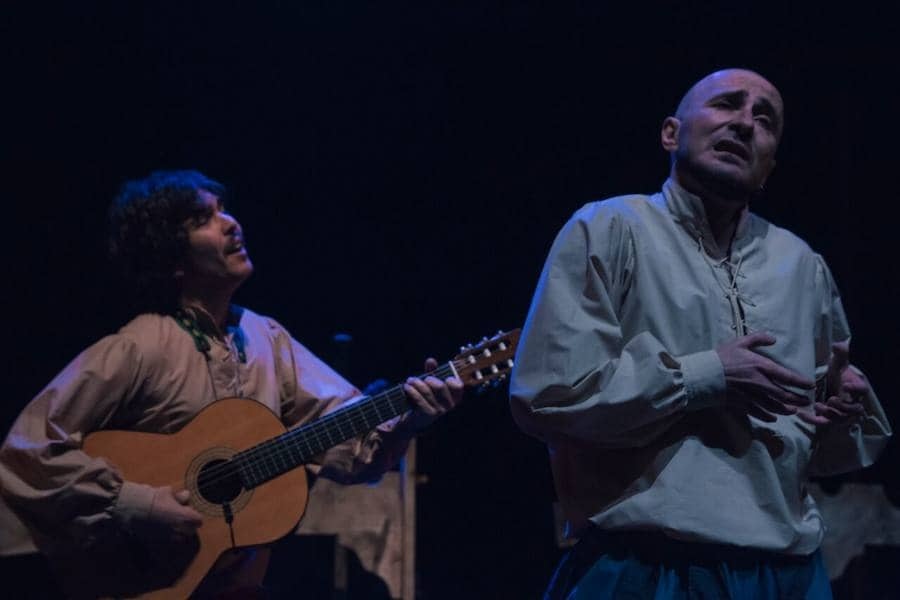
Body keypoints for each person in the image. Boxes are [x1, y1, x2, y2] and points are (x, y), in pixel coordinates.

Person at [509, 69, 892, 598]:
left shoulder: (803, 265)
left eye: (765, 119)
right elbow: (548, 397)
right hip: (646, 567)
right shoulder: (609, 228)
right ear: (671, 133)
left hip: (785, 572)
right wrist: (707, 375)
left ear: (770, 165)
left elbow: (817, 450)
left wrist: (838, 416)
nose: (744, 123)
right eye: (727, 105)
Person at [0, 170, 463, 598]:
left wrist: (407, 420)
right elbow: (27, 451)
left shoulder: (267, 338)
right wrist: (134, 502)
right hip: (146, 582)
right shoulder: (140, 345)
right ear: (171, 257)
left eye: (224, 208)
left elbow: (349, 438)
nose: (231, 223)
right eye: (204, 218)